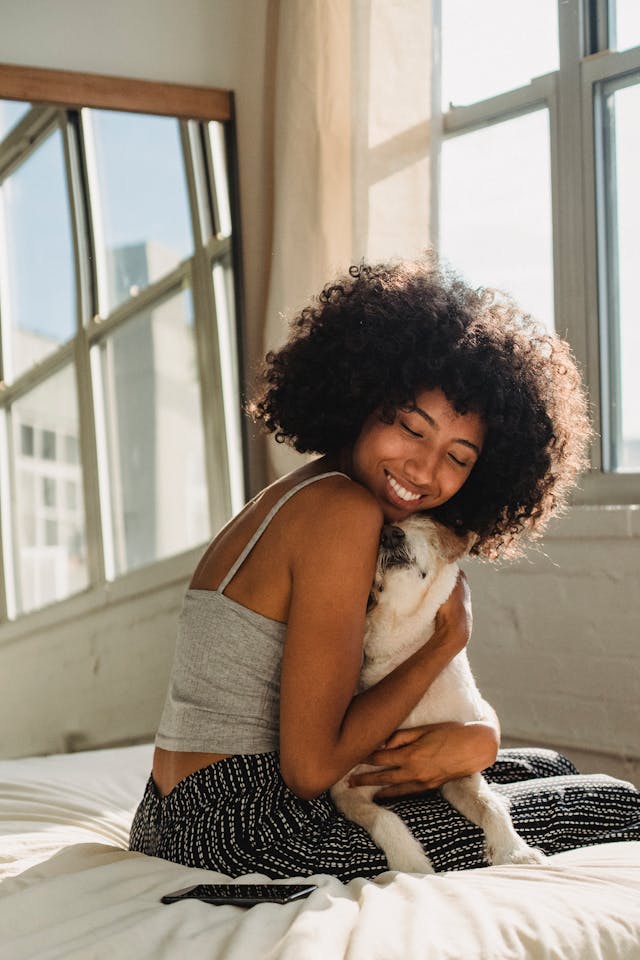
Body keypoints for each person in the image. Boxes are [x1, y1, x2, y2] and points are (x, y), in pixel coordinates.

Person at [130, 255, 639, 881]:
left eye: (457, 456)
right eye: (409, 427)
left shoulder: (300, 493)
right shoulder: (341, 513)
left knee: (547, 770)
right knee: (614, 803)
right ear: (367, 395)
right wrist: (446, 644)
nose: (424, 471)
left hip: (172, 812)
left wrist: (478, 738)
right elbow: (311, 770)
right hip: (247, 827)